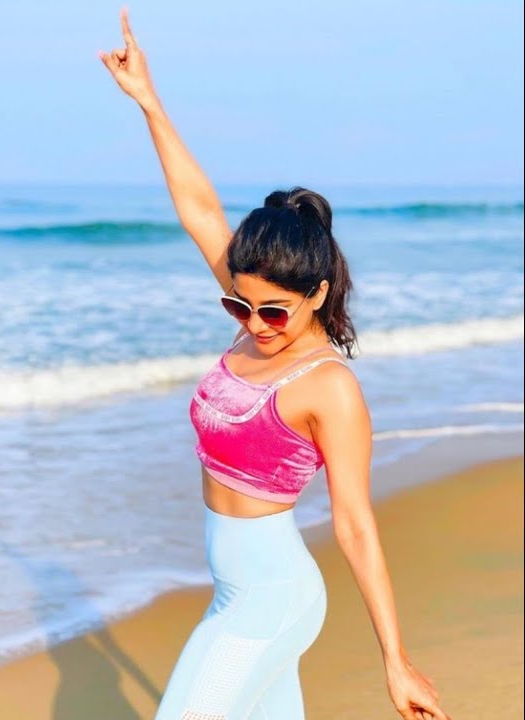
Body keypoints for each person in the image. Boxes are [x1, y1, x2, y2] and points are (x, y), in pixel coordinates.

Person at [97, 9, 449, 720]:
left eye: (274, 312)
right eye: (238, 307)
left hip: (274, 600)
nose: (255, 326)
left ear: (316, 294)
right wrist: (149, 102)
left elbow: (353, 524)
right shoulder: (258, 309)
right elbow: (199, 210)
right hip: (234, 589)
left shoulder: (328, 387)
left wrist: (395, 660)